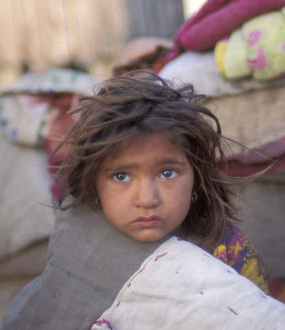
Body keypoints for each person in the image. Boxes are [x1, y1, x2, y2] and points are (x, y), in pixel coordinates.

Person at [53, 70, 269, 292]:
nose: (147, 199)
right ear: (93, 185)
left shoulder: (228, 251)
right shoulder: (78, 255)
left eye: (167, 173)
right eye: (121, 176)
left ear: (197, 177)